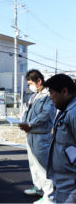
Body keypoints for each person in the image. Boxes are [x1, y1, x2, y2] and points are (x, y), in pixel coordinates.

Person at [18, 70, 56, 203]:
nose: (30, 86)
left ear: (39, 81)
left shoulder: (48, 95)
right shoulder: (34, 95)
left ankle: (49, 197)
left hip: (41, 135)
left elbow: (46, 114)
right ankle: (38, 188)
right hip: (30, 134)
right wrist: (23, 122)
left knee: (42, 167)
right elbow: (27, 111)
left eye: (31, 83)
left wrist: (30, 123)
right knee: (33, 165)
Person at [43, 74, 76, 203]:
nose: (50, 98)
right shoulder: (66, 110)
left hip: (70, 186)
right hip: (62, 182)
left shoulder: (73, 113)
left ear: (64, 91)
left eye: (52, 93)